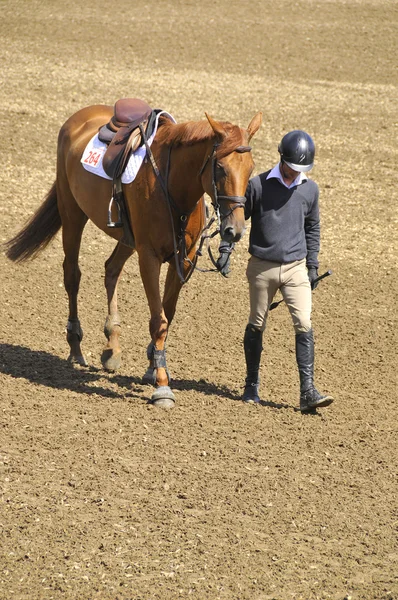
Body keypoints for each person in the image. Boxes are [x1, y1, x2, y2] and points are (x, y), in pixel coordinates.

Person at [217, 130, 334, 412]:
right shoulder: (257, 185)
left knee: (304, 323)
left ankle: (307, 391)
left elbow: (312, 227)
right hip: (261, 266)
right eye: (292, 168)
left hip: (296, 268)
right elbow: (237, 218)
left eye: (300, 170)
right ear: (281, 159)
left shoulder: (310, 189)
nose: (295, 174)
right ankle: (251, 385)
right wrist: (225, 249)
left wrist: (312, 264)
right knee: (257, 323)